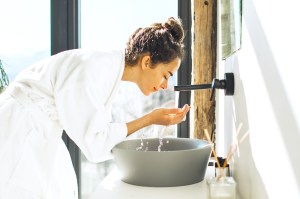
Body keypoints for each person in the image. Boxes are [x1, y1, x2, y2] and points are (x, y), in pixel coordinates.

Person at [0, 17, 190, 198]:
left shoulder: (107, 70)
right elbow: (96, 146)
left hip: (38, 127)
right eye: (166, 75)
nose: (165, 85)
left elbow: (102, 137)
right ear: (147, 62)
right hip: (19, 128)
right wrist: (150, 119)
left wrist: (151, 119)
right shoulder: (93, 69)